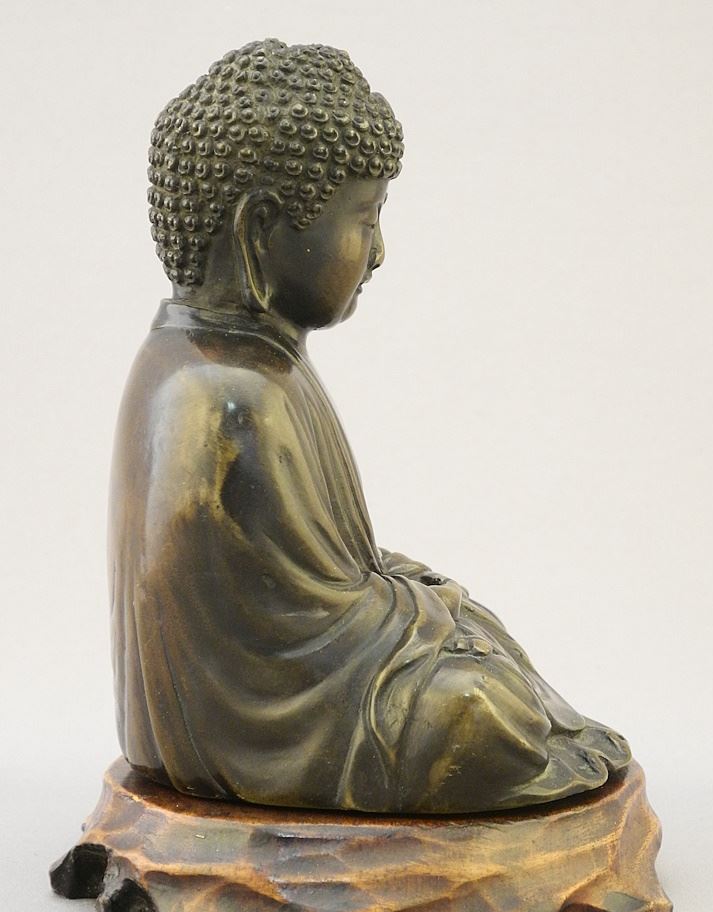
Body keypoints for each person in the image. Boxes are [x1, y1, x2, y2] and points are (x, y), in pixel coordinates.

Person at [110, 39, 630, 813]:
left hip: (303, 679)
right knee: (474, 708)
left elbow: (328, 576)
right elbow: (293, 641)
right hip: (251, 728)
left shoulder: (246, 363)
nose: (379, 251)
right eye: (364, 217)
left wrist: (423, 602)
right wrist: (418, 621)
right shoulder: (224, 394)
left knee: (463, 614)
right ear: (262, 231)